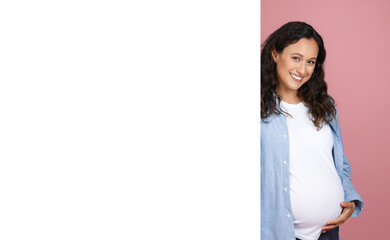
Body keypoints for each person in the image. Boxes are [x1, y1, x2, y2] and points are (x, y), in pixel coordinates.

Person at [261, 21, 364, 240]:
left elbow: (339, 161)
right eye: (296, 58)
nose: (302, 70)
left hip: (328, 232)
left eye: (311, 62)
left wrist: (350, 199)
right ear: (275, 54)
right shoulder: (258, 111)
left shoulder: (324, 105)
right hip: (281, 233)